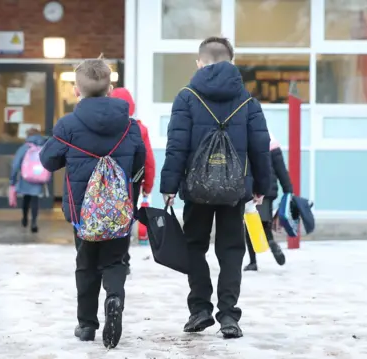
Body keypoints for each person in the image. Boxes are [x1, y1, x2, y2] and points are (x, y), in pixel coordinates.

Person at [160, 37, 271, 339]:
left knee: (194, 246)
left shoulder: (186, 98)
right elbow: (261, 148)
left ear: (200, 62)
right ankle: (229, 316)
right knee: (232, 249)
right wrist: (262, 186)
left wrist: (169, 185)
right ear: (231, 62)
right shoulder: (248, 101)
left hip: (196, 189)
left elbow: (176, 146)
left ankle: (199, 310)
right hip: (235, 191)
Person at [39, 58, 146, 349]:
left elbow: (48, 161)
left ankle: (86, 325)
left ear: (77, 90)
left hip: (82, 212)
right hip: (118, 210)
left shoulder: (68, 124)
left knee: (86, 264)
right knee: (115, 260)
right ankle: (113, 298)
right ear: (110, 88)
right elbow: (139, 163)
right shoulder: (130, 126)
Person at [110, 87, 155, 275]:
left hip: (107, 181)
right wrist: (147, 186)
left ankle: (108, 257)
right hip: (132, 183)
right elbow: (148, 160)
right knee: (126, 220)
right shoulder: (139, 128)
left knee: (108, 217)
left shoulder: (103, 127)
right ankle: (123, 259)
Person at [244, 132, 291, 270]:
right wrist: (288, 190)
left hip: (253, 188)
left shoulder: (247, 137)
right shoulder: (272, 141)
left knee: (250, 225)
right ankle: (271, 243)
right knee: (264, 223)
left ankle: (254, 261)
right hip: (269, 190)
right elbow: (281, 169)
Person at [9, 127, 48, 233]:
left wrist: (12, 180)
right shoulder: (43, 146)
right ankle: (34, 222)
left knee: (26, 198)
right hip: (38, 175)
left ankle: (25, 218)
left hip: (26, 176)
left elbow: (16, 164)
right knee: (35, 199)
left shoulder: (25, 147)